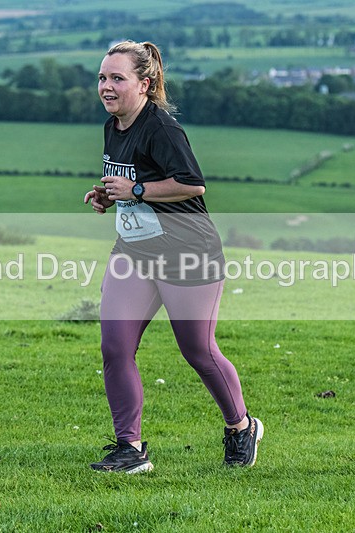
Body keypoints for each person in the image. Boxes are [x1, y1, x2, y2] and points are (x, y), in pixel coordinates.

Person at [83, 40, 263, 474]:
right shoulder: (113, 126)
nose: (106, 86)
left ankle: (241, 427)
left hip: (187, 253)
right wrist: (110, 195)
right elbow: (133, 183)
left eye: (117, 78)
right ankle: (130, 448)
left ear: (144, 84)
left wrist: (136, 190)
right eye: (102, 78)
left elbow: (191, 183)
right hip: (135, 252)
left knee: (197, 350)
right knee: (115, 346)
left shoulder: (162, 128)